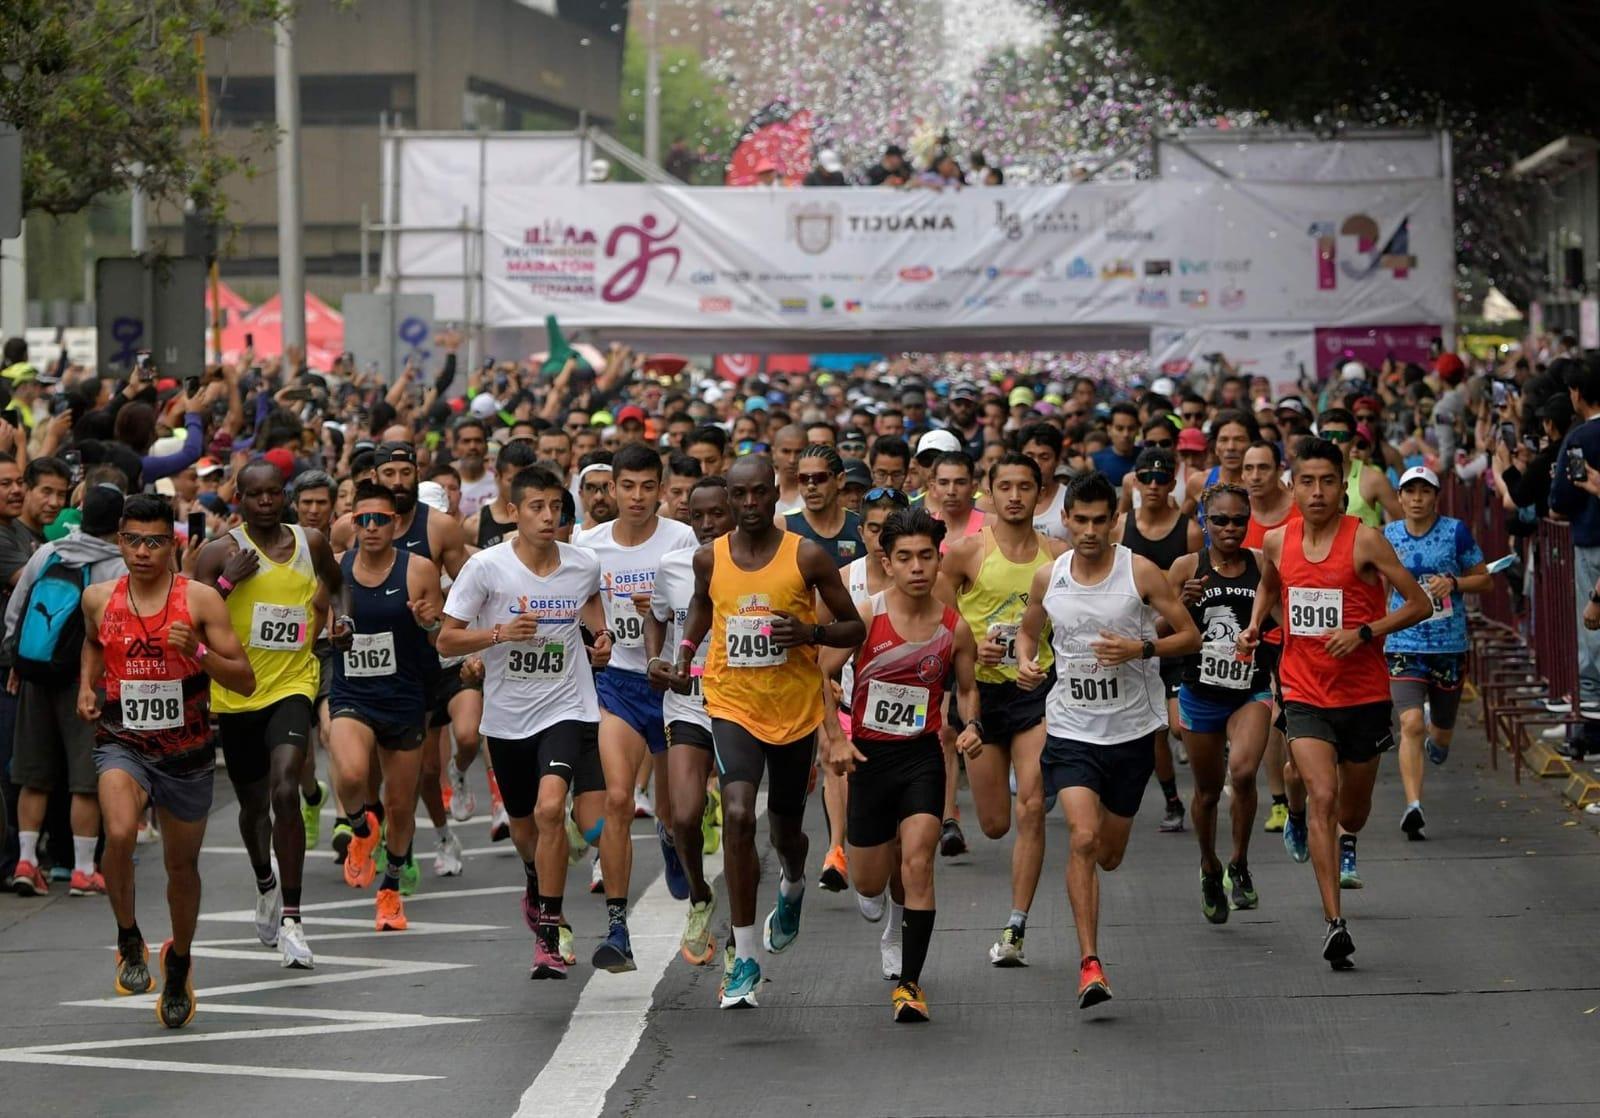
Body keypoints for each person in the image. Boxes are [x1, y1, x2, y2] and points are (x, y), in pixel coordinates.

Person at [673, 455, 864, 1008]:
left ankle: (794, 883)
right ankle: (746, 955)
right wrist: (686, 652)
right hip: (732, 701)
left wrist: (809, 630)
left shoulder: (805, 555)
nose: (751, 504)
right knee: (735, 812)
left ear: (774, 496)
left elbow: (852, 624)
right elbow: (701, 609)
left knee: (784, 829)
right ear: (728, 501)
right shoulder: (709, 559)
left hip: (795, 707)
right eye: (741, 496)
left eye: (761, 493)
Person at [1237, 439, 1431, 969]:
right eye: (1307, 481)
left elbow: (1420, 602)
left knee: (1354, 810)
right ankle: (1334, 922)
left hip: (1363, 695)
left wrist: (1366, 631)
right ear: (1292, 485)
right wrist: (1256, 626)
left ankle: (1321, 815)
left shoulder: (1366, 541)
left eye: (1327, 481)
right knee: (1323, 795)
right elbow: (1270, 588)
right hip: (1302, 689)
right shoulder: (1277, 540)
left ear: (1342, 484)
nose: (1317, 491)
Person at [1016, 472, 1200, 1008]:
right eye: (1082, 520)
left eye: (1101, 520)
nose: (1091, 530)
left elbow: (1188, 633)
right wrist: (1028, 661)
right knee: (1082, 838)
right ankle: (1090, 962)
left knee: (1110, 853)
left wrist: (1141, 651)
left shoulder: (1138, 571)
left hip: (1132, 731)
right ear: (1066, 521)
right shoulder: (1048, 577)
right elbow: (1031, 630)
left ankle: (1093, 922)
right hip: (1071, 728)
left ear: (1114, 522)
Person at [79, 494, 255, 1028]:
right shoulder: (97, 597)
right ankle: (128, 936)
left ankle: (178, 963)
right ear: (119, 542)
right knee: (120, 832)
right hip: (122, 740)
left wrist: (197, 652)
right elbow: (91, 643)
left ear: (172, 545)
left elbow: (244, 679)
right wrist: (86, 687)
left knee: (182, 868)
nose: (142, 551)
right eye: (133, 540)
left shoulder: (200, 601)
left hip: (187, 752)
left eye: (154, 541)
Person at [438, 465, 612, 978]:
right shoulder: (487, 568)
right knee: (523, 828)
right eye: (536, 506)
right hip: (507, 717)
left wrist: (600, 640)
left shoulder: (583, 564)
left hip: (564, 706)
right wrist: (500, 635)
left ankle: (551, 932)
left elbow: (592, 606)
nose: (547, 516)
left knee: (551, 807)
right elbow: (447, 639)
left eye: (555, 507)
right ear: (513, 512)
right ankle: (536, 884)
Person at [819, 507, 982, 1023]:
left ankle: (909, 984)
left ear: (939, 561)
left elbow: (968, 688)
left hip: (920, 757)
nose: (917, 567)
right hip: (868, 755)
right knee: (870, 880)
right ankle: (887, 904)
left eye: (926, 557)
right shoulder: (868, 615)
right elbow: (821, 678)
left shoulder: (954, 629)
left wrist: (973, 726)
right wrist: (833, 740)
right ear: (886, 563)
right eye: (905, 558)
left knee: (917, 860)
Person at [196, 461, 345, 968]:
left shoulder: (312, 543)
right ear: (238, 497)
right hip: (237, 694)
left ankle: (294, 921)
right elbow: (188, 617)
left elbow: (336, 584)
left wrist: (338, 619)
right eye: (255, 494)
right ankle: (265, 882)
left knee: (286, 785)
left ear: (283, 496)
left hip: (293, 684)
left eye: (273, 493)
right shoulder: (218, 552)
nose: (265, 502)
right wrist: (225, 583)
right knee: (254, 806)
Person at [935, 453, 1065, 965]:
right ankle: (1001, 790)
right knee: (994, 824)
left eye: (1025, 487)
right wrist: (969, 649)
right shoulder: (965, 553)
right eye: (1004, 487)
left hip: (1036, 693)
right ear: (988, 494)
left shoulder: (1058, 555)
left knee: (1031, 805)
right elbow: (939, 623)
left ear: (1039, 493)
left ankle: (1016, 926)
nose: (1015, 496)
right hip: (980, 698)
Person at [575, 443, 698, 968]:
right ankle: (617, 929)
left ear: (662, 489)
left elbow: (699, 607)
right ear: (612, 488)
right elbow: (584, 599)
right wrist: (597, 634)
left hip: (669, 687)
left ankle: (672, 837)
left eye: (649, 487)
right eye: (627, 487)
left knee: (675, 811)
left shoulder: (682, 540)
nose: (637, 497)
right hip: (619, 685)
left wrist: (664, 611)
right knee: (619, 800)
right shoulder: (588, 543)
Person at [326, 481, 445, 933]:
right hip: (353, 693)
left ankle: (390, 888)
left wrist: (427, 622)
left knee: (399, 805)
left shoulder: (418, 570)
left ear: (396, 524)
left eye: (380, 519)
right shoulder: (337, 569)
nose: (372, 527)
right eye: (363, 520)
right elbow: (319, 624)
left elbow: (441, 638)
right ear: (352, 524)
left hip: (405, 697)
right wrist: (331, 635)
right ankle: (360, 828)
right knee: (352, 774)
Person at [6, 484, 129, 897]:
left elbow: (18, 608)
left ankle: (26, 861)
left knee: (33, 774)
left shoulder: (49, 551)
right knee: (84, 779)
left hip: (36, 673)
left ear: (80, 511)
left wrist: (16, 661)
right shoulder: (121, 566)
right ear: (120, 524)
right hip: (89, 681)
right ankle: (82, 869)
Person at [1168, 484, 1274, 920]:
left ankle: (1240, 862)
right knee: (1208, 792)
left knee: (1245, 772)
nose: (1230, 529)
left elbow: (1282, 615)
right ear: (1204, 523)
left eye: (1239, 520)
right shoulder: (1185, 566)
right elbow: (1156, 627)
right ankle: (1209, 865)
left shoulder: (1263, 564)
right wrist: (1180, 602)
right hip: (1200, 690)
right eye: (1220, 521)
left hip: (1250, 688)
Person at [646, 477, 735, 966]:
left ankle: (743, 930)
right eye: (696, 516)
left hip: (744, 704)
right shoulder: (673, 566)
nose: (705, 525)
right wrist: (655, 658)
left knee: (742, 822)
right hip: (688, 701)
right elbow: (657, 617)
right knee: (682, 814)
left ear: (736, 512)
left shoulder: (759, 564)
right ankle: (700, 895)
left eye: (716, 514)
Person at [1383, 466, 1489, 839]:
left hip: (1448, 645)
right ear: (1398, 498)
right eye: (1409, 492)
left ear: (1434, 497)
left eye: (1423, 492)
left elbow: (1485, 577)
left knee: (1440, 735)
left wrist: (1455, 582)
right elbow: (1377, 584)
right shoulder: (1388, 535)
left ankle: (1439, 742)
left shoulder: (1454, 531)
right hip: (1403, 643)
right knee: (1410, 723)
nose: (1416, 499)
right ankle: (1413, 805)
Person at [1117, 447, 1203, 833]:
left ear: (1172, 482)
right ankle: (1171, 798)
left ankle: (1207, 787)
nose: (1153, 485)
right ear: (1134, 482)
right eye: (1145, 478)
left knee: (1179, 727)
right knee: (1154, 732)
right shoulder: (1120, 527)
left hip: (1176, 644)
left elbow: (1204, 584)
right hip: (1135, 644)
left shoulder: (1189, 530)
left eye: (1162, 478)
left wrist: (1185, 604)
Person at [1242, 440, 1298, 834]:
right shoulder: (1234, 514)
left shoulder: (1299, 509)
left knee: (1285, 713)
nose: (1256, 476)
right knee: (1271, 714)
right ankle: (1279, 800)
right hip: (1248, 630)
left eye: (1264, 467)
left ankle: (1299, 788)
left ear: (1279, 468)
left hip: (1296, 628)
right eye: (1250, 468)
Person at [1315, 409, 1400, 526]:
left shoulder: (1373, 479)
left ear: (1353, 440)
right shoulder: (1305, 478)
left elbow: (1406, 523)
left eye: (1342, 436)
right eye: (1327, 435)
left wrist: (1374, 534)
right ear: (1318, 438)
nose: (1334, 442)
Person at [783, 444, 865, 566]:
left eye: (820, 478)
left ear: (840, 480)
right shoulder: (782, 526)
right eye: (803, 479)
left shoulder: (861, 528)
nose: (811, 486)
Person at [1018, 424, 1070, 540]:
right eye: (1029, 456)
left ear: (1057, 460)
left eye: (1044, 457)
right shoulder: (1006, 498)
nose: (1036, 464)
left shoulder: (1069, 499)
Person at [450, 417, 498, 518]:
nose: (472, 447)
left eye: (478, 441)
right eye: (466, 441)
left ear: (486, 447)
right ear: (455, 449)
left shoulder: (499, 483)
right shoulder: (445, 486)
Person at [1090, 403, 1142, 488]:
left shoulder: (1146, 458)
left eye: (1131, 428)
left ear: (1137, 430)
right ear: (1109, 430)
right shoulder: (1094, 461)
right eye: (1119, 428)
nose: (1126, 434)